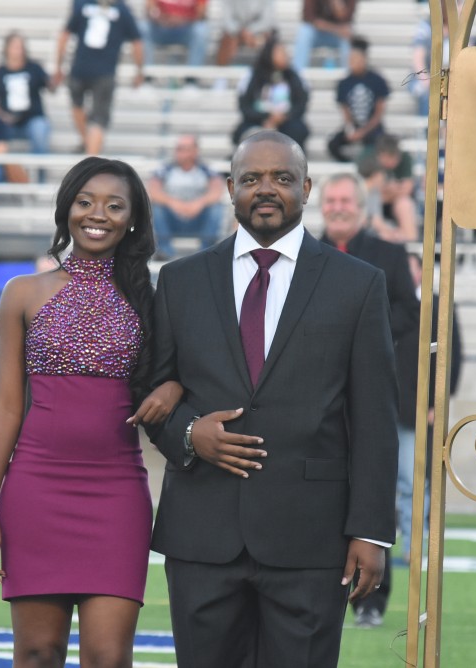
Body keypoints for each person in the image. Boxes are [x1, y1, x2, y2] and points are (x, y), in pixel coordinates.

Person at [148, 131, 399, 666]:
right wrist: (191, 434)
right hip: (202, 534)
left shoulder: (358, 284)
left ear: (306, 187)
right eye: (252, 178)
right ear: (228, 188)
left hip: (312, 539)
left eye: (282, 178)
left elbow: (375, 418)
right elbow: (153, 396)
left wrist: (371, 531)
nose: (267, 189)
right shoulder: (179, 281)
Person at [0, 156, 183, 665]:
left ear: (132, 219)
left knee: (108, 657)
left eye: (114, 205)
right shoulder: (21, 293)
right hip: (35, 491)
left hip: (117, 495)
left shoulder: (152, 300)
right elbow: (3, 408)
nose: (98, 214)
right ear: (67, 208)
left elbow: (181, 374)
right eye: (85, 202)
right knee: (38, 652)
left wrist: (171, 386)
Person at [318, 172, 420, 628]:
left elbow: (408, 311)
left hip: (368, 396)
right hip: (315, 402)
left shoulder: (389, 254)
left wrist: (358, 335)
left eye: (345, 199)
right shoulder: (299, 252)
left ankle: (373, 600)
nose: (338, 206)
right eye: (331, 199)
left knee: (381, 492)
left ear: (361, 205)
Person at [395, 252, 462, 565]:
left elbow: (453, 355)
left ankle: (412, 548)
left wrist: (438, 401)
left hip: (417, 411)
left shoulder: (439, 304)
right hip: (381, 408)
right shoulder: (387, 302)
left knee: (412, 482)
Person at [53, 0, 145, 155]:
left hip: (80, 68)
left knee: (78, 106)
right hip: (105, 72)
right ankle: (91, 158)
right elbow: (137, 42)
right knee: (98, 120)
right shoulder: (122, 10)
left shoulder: (82, 5)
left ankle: (86, 144)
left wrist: (59, 66)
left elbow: (64, 35)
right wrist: (139, 71)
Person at [148, 134, 225, 259]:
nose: (183, 153)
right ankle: (165, 251)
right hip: (173, 218)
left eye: (187, 149)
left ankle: (206, 251)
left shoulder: (206, 169)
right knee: (157, 207)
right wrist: (173, 203)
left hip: (198, 217)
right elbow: (153, 190)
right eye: (180, 149)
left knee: (216, 207)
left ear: (195, 151)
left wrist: (200, 203)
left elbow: (217, 190)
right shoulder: (165, 169)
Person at [232, 34, 311, 151]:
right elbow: (245, 105)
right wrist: (266, 117)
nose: (285, 56)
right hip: (258, 120)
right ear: (269, 54)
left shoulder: (294, 76)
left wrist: (283, 116)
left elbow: (301, 103)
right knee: (244, 133)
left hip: (286, 120)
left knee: (298, 130)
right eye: (281, 52)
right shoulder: (253, 75)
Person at [0, 32, 53, 156]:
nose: (18, 50)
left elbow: (51, 87)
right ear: (6, 49)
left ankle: (39, 172)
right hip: (6, 121)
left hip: (32, 118)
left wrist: (56, 79)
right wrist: (1, 115)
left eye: (20, 46)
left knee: (40, 128)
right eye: (15, 46)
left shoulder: (34, 68)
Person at [327, 37, 389, 163]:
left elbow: (379, 111)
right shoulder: (344, 83)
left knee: (378, 142)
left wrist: (364, 131)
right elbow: (345, 109)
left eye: (355, 60)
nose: (352, 63)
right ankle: (347, 164)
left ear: (364, 60)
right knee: (333, 144)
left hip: (373, 126)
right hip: (354, 124)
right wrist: (351, 128)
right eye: (350, 60)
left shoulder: (377, 80)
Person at [360, 134, 419, 243]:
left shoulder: (405, 159)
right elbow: (373, 218)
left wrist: (386, 190)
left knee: (405, 203)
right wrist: (394, 188)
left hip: (386, 209)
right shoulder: (369, 162)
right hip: (370, 220)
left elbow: (407, 190)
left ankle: (410, 239)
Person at [142, 0, 210, 81]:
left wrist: (182, 19)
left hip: (186, 30)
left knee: (201, 30)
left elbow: (201, 14)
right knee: (143, 28)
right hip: (161, 28)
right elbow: (150, 9)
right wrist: (160, 17)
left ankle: (192, 80)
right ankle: (146, 78)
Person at [292, 0, 357, 71]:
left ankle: (349, 78)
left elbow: (346, 21)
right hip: (317, 34)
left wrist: (336, 3)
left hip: (336, 37)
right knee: (304, 31)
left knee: (347, 37)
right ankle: (296, 75)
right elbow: (310, 19)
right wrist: (336, 29)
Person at [215, 0, 277, 67]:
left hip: (258, 33)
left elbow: (266, 21)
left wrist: (250, 31)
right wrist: (241, 31)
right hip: (236, 34)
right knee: (227, 42)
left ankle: (266, 73)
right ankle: (222, 73)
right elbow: (227, 20)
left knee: (267, 43)